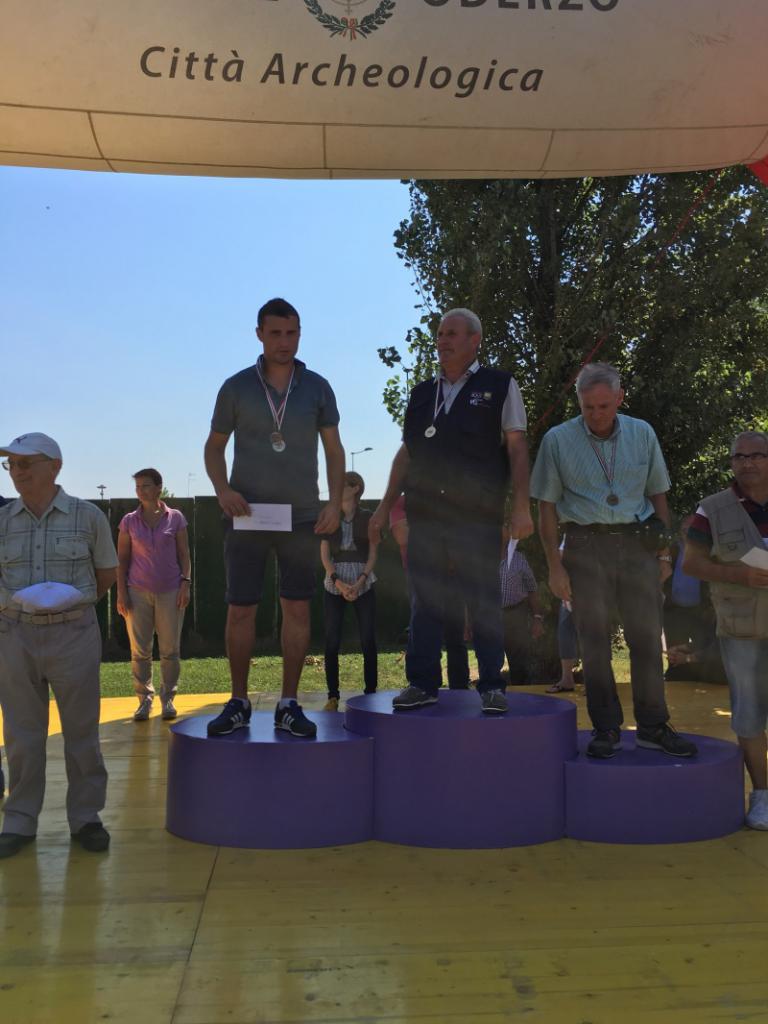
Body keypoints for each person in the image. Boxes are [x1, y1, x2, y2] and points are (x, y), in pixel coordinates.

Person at [370, 307, 533, 714]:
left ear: (475, 340)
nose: (442, 340)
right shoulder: (422, 393)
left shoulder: (500, 385)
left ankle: (492, 685)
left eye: (452, 333)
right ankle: (422, 683)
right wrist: (384, 507)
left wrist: (521, 506)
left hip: (476, 515)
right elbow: (407, 453)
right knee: (425, 601)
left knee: (482, 599)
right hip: (426, 515)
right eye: (440, 333)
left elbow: (517, 447)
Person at [531, 362, 697, 759]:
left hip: (638, 545)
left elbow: (658, 495)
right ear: (579, 402)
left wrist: (664, 552)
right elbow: (546, 506)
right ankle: (605, 729)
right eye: (588, 407)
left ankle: (653, 726)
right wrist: (554, 565)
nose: (596, 415)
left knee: (646, 638)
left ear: (620, 398)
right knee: (593, 643)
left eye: (604, 406)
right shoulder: (558, 440)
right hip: (584, 545)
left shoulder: (642, 433)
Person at [204, 297, 344, 739]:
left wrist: (333, 503)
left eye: (292, 333)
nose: (285, 341)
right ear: (260, 334)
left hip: (302, 516)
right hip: (247, 513)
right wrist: (223, 490)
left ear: (300, 334)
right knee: (240, 608)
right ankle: (238, 701)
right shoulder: (236, 387)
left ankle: (288, 703)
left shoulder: (318, 387)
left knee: (297, 606)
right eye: (276, 333)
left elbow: (334, 450)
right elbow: (214, 447)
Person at [0, 432, 117, 858]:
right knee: (21, 734)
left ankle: (86, 818)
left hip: (73, 634)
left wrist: (69, 608)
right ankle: (19, 820)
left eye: (26, 463)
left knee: (82, 731)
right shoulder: (2, 520)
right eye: (11, 464)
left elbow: (106, 574)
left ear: (55, 466)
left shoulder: (88, 517)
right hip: (14, 635)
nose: (17, 472)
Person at [683, 430, 768, 829]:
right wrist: (738, 575)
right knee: (748, 714)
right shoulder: (711, 509)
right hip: (741, 628)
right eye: (739, 456)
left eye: (757, 455)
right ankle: (762, 796)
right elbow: (691, 563)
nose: (747, 463)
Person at [116, 468, 191, 722]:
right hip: (137, 592)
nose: (140, 491)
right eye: (137, 487)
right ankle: (144, 700)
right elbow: (122, 560)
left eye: (145, 486)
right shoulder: (128, 521)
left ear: (159, 487)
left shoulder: (176, 518)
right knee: (140, 651)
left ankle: (168, 698)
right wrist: (121, 593)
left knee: (170, 649)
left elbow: (184, 555)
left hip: (171, 591)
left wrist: (185, 583)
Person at [390, 494, 470, 689]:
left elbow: (462, 540)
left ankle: (460, 687)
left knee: (456, 635)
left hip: (452, 576)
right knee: (422, 632)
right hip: (420, 576)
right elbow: (402, 536)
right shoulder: (401, 502)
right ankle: (423, 686)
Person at [320, 471, 378, 710]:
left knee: (368, 639)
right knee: (332, 640)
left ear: (356, 488)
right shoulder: (329, 515)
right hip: (335, 582)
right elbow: (324, 555)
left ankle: (371, 693)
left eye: (342, 484)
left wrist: (361, 580)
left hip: (363, 579)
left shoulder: (368, 517)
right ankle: (332, 696)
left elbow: (373, 553)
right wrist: (337, 581)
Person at [499, 539, 545, 685]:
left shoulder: (519, 559)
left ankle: (521, 692)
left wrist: (537, 618)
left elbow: (532, 589)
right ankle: (491, 693)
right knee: (490, 660)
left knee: (519, 663)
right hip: (490, 616)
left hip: (515, 615)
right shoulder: (483, 558)